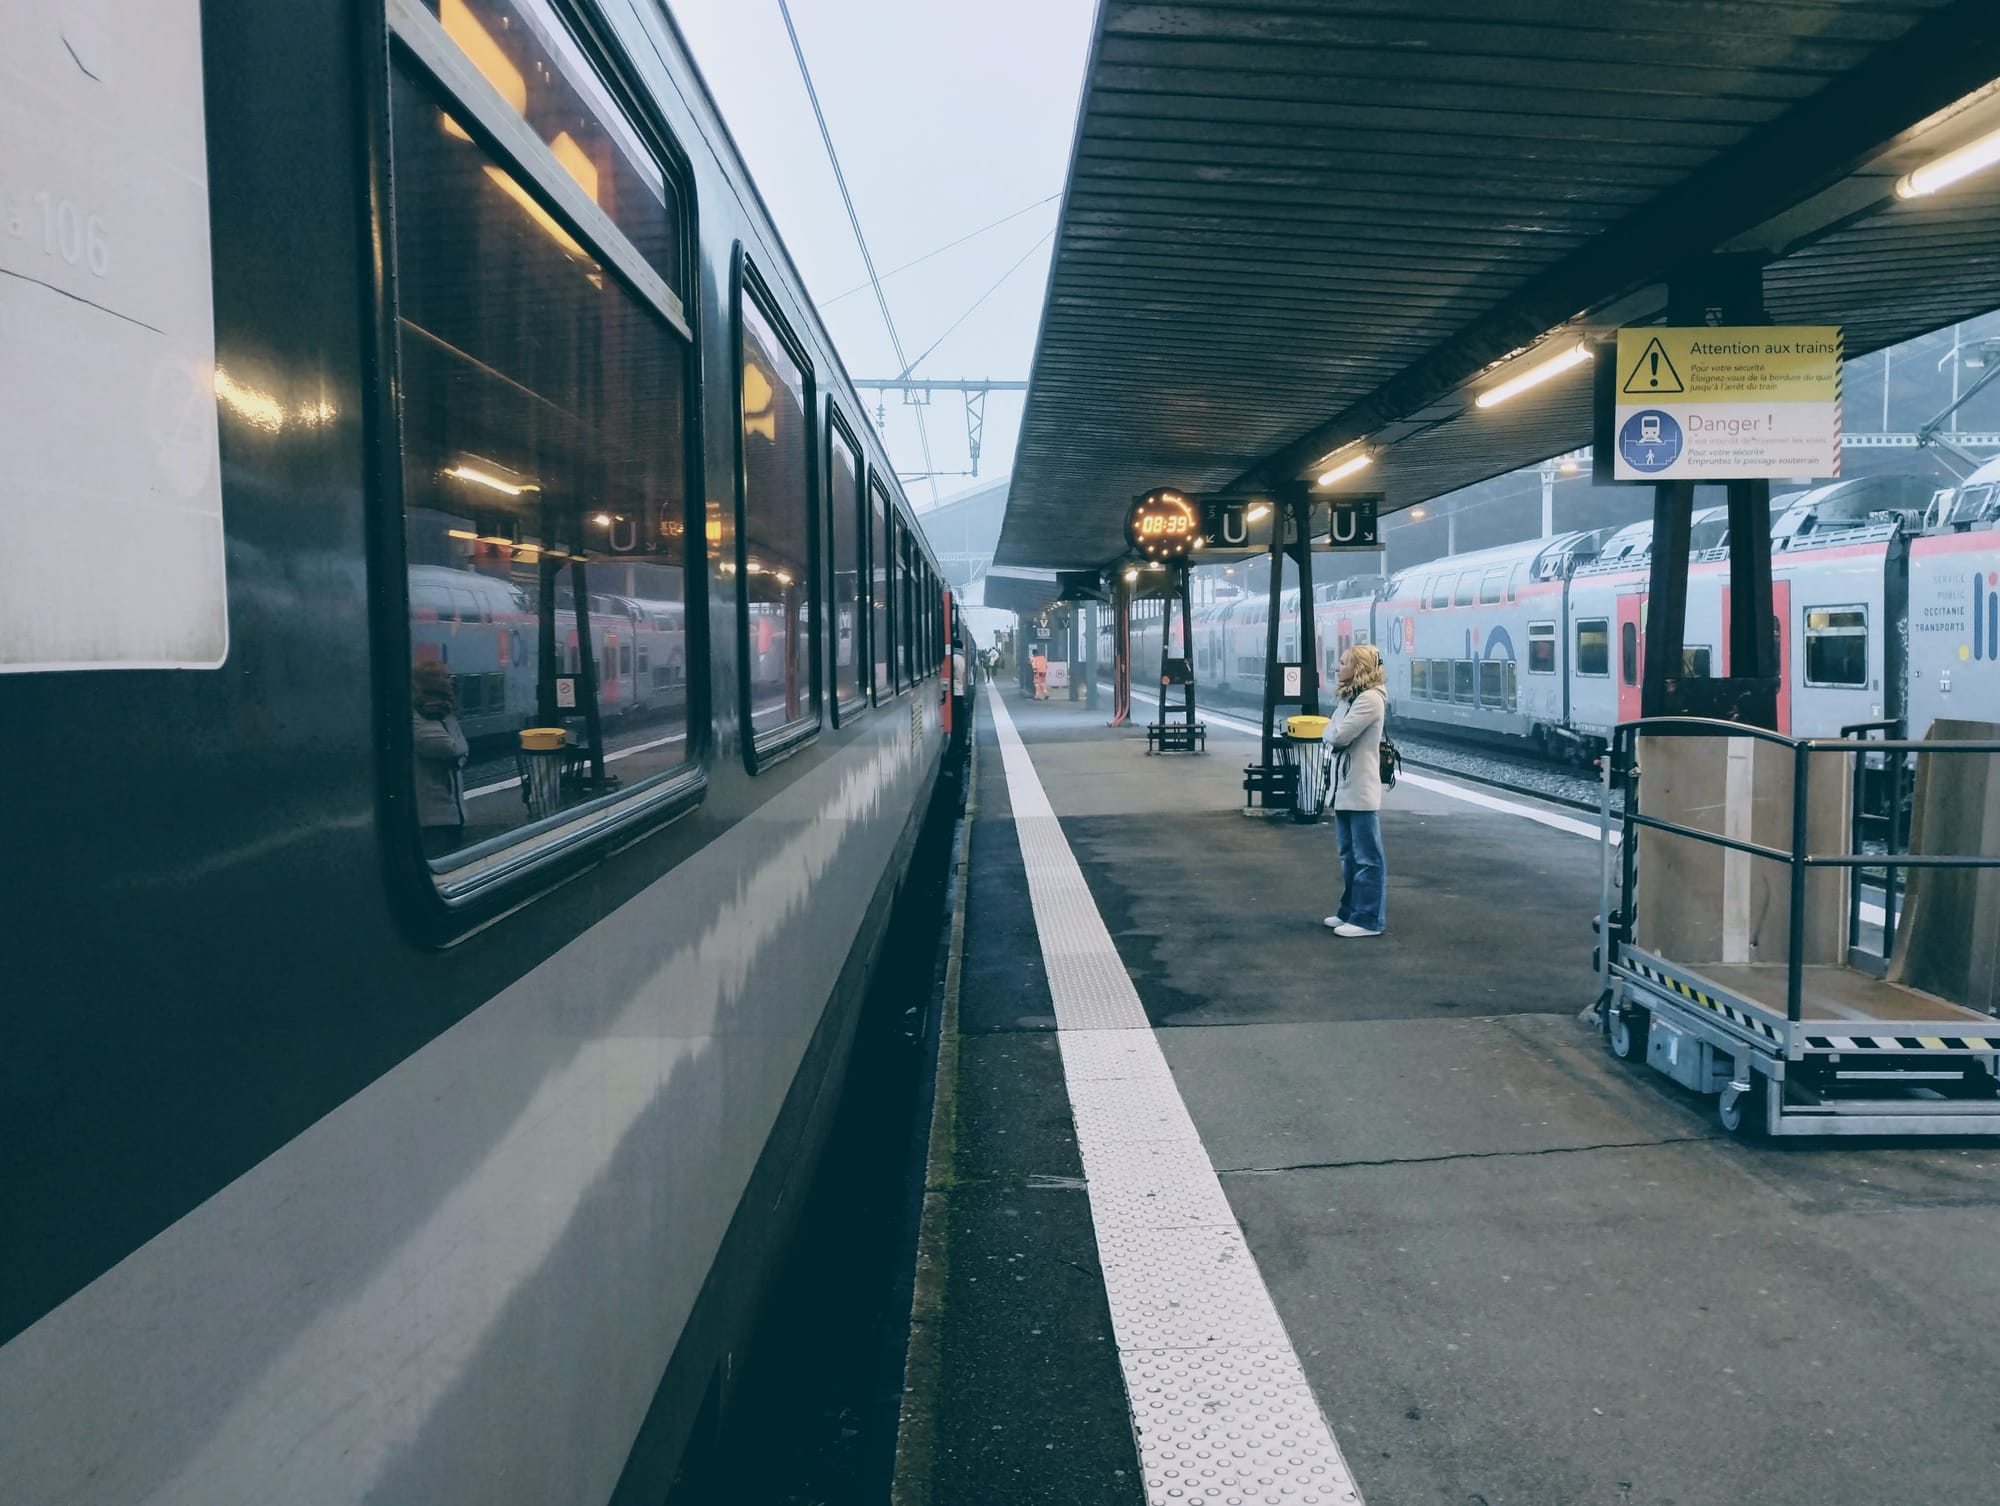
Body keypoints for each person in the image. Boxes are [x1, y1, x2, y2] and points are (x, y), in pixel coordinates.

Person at [1323, 643, 1388, 938]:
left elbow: (1337, 735)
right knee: (1349, 855)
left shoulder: (1370, 700)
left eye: (1343, 662)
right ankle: (1350, 911)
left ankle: (1368, 919)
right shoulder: (1350, 698)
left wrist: (1332, 731)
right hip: (1344, 788)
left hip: (1360, 788)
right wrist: (1332, 730)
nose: (1338, 667)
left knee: (1367, 858)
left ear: (1358, 667)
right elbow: (1334, 730)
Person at [412, 659, 469, 859]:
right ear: (432, 682)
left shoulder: (447, 714)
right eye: (446, 677)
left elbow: (463, 749)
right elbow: (449, 747)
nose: (451, 681)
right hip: (430, 817)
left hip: (455, 812)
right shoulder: (414, 717)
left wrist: (457, 756)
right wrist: (456, 755)